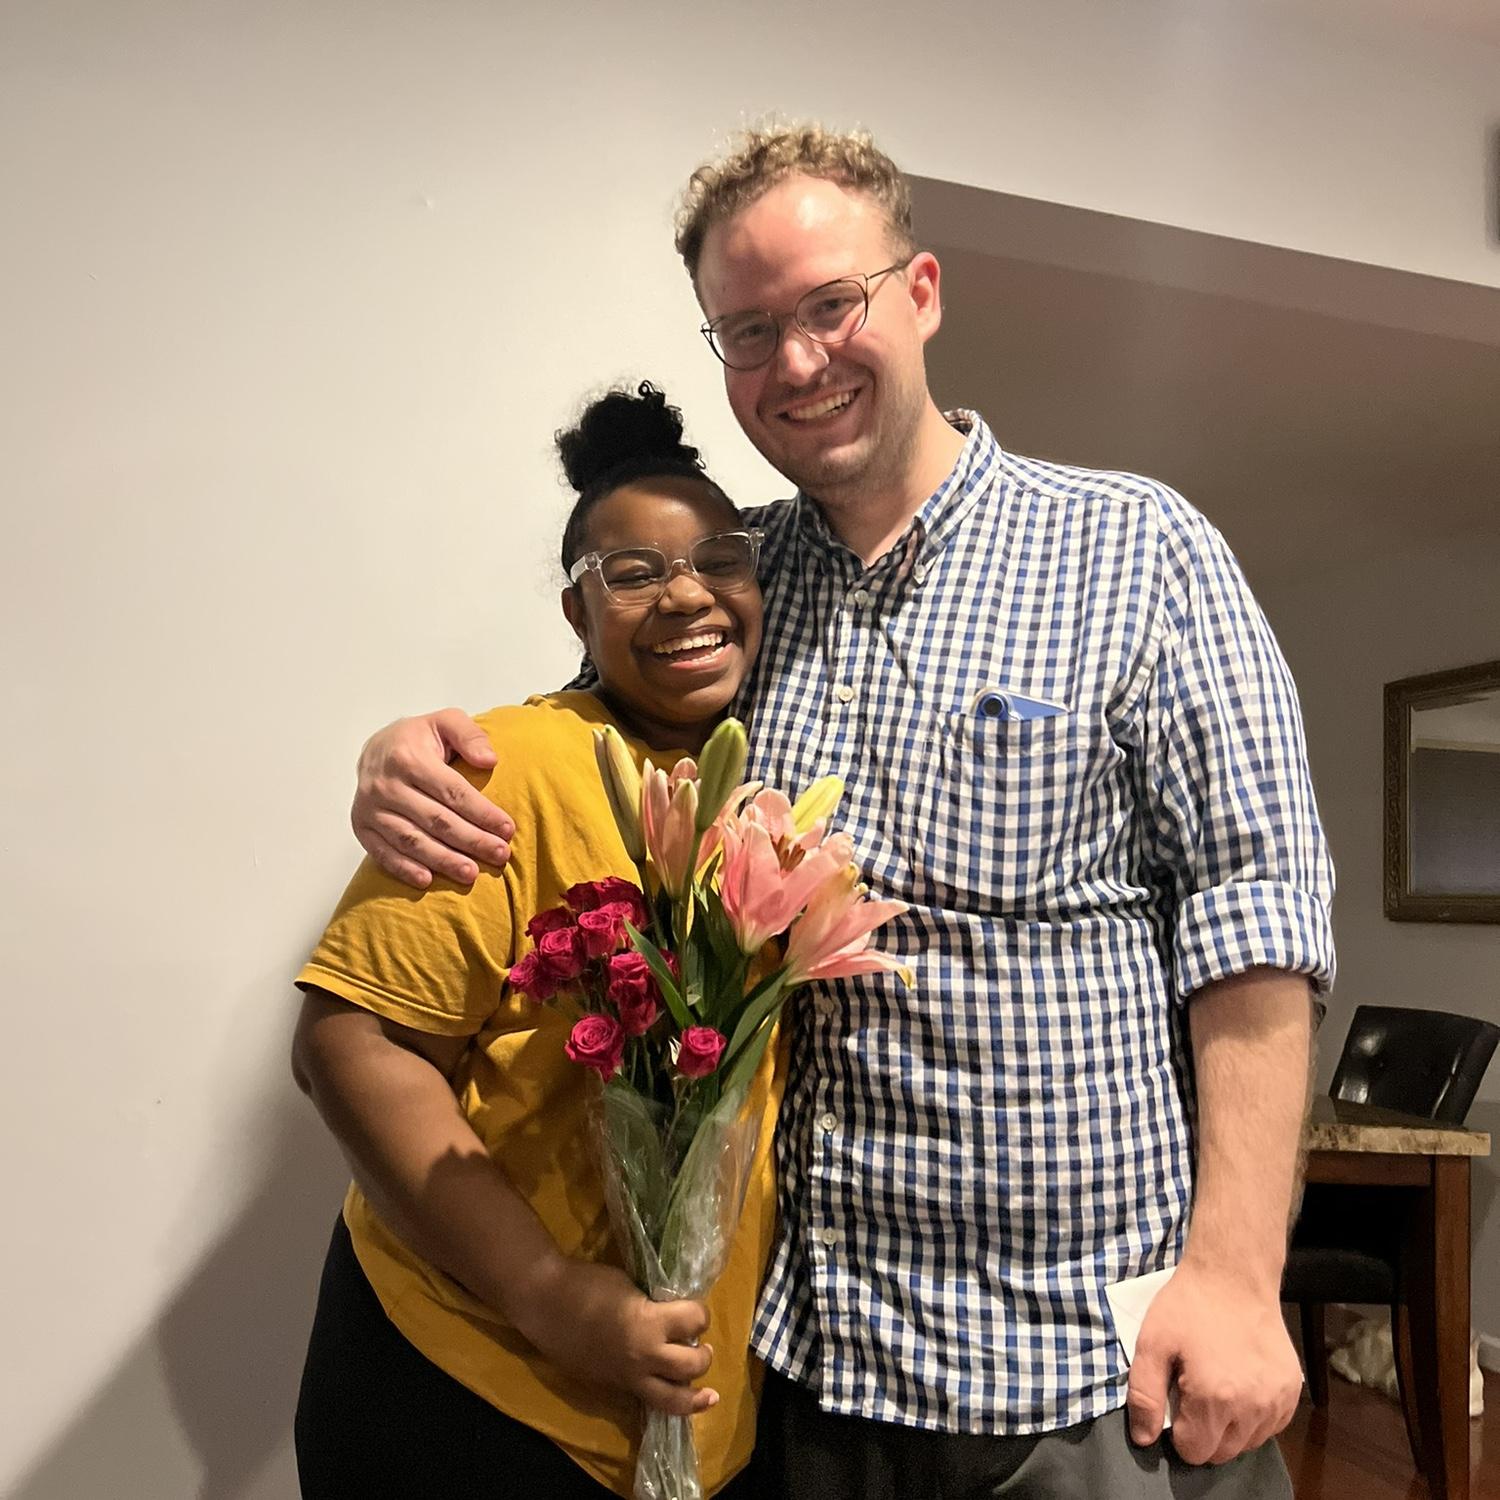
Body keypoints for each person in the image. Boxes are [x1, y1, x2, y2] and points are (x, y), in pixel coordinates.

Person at [347, 126, 1336, 1499]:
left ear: (920, 292)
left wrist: (1235, 1272)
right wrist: (403, 753)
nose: (798, 362)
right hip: (803, 1378)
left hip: (1084, 1377)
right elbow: (579, 731)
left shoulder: (1137, 551)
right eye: (749, 333)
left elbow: (1254, 916)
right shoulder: (734, 584)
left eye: (831, 305)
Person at [291, 383, 780, 1498]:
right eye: (634, 573)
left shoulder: (758, 785)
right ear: (577, 612)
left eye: (719, 560)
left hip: (682, 1412)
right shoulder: (509, 767)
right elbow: (350, 1046)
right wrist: (549, 1294)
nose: (686, 594)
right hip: (471, 1385)